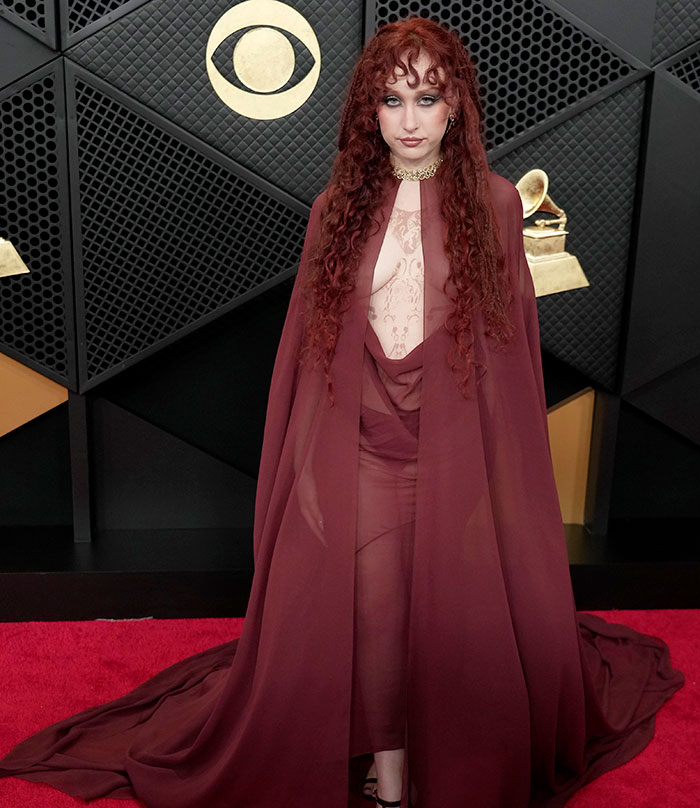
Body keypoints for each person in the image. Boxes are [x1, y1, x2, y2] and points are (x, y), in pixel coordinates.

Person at [0, 15, 684, 808]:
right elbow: (315, 349)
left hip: (451, 447)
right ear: (370, 112)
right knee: (375, 604)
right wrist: (309, 469)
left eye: (427, 97)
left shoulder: (496, 205)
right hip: (364, 445)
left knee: (450, 618)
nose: (411, 119)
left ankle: (434, 750)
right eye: (392, 100)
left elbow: (508, 353)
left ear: (456, 104)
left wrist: (498, 480)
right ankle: (390, 768)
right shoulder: (339, 207)